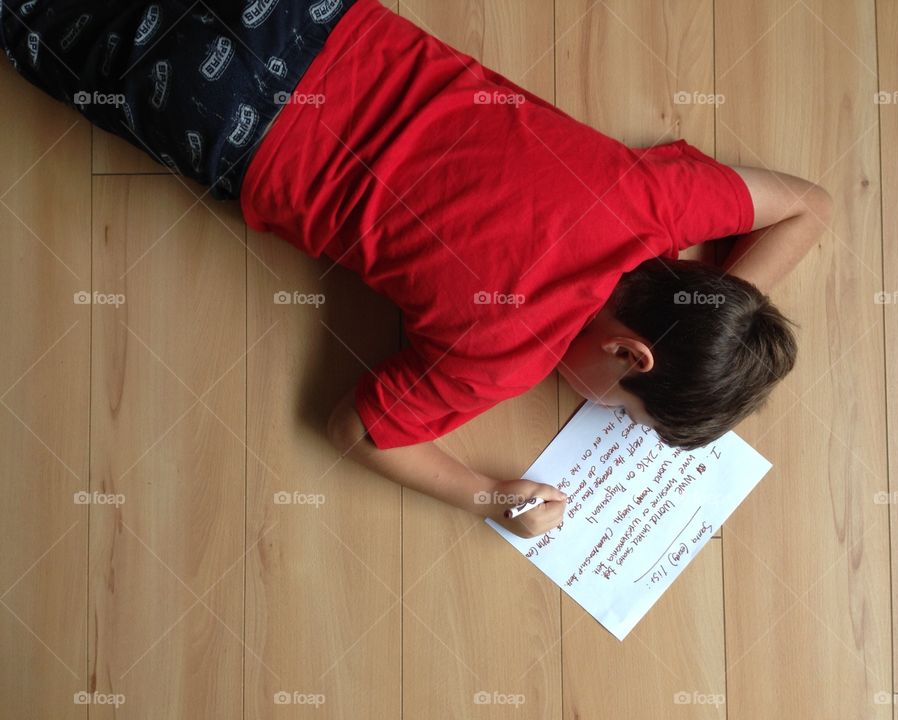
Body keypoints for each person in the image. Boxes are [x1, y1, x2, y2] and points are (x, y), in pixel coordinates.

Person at [1, 0, 832, 538]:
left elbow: (808, 205)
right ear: (627, 354)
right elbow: (357, 431)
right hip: (227, 121)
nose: (602, 410)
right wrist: (494, 497)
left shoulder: (659, 200)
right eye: (623, 407)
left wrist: (725, 305)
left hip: (317, 23)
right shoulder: (503, 352)